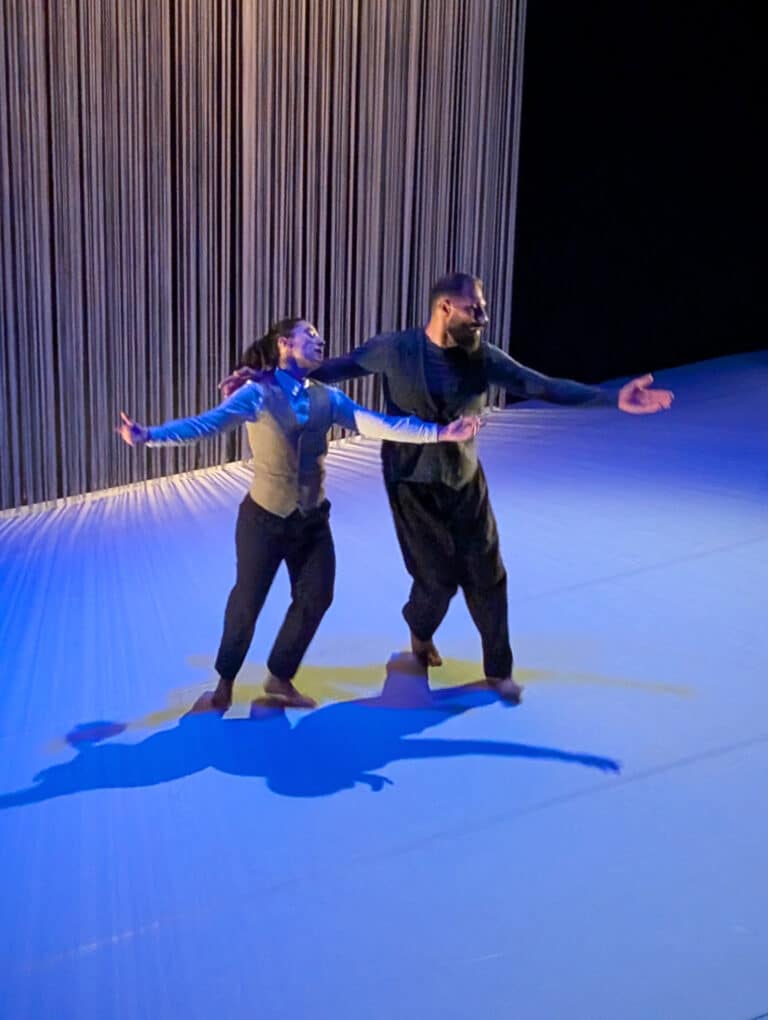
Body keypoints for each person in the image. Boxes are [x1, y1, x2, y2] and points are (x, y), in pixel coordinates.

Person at [223, 274, 675, 704]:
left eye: (483, 309)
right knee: (437, 581)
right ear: (444, 308)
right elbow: (325, 371)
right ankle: (419, 633)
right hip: (411, 485)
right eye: (473, 309)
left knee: (489, 576)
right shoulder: (395, 349)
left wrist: (611, 398)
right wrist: (261, 378)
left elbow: (539, 384)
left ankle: (499, 670)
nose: (482, 318)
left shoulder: (483, 357)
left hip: (464, 479)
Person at [118, 317, 481, 709]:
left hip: (312, 521)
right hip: (263, 520)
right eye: (309, 334)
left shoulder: (327, 397)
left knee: (317, 596)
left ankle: (279, 676)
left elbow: (377, 424)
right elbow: (205, 425)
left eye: (320, 335)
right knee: (247, 603)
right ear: (284, 344)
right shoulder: (257, 393)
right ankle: (225, 680)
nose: (319, 340)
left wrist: (439, 433)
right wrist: (148, 436)